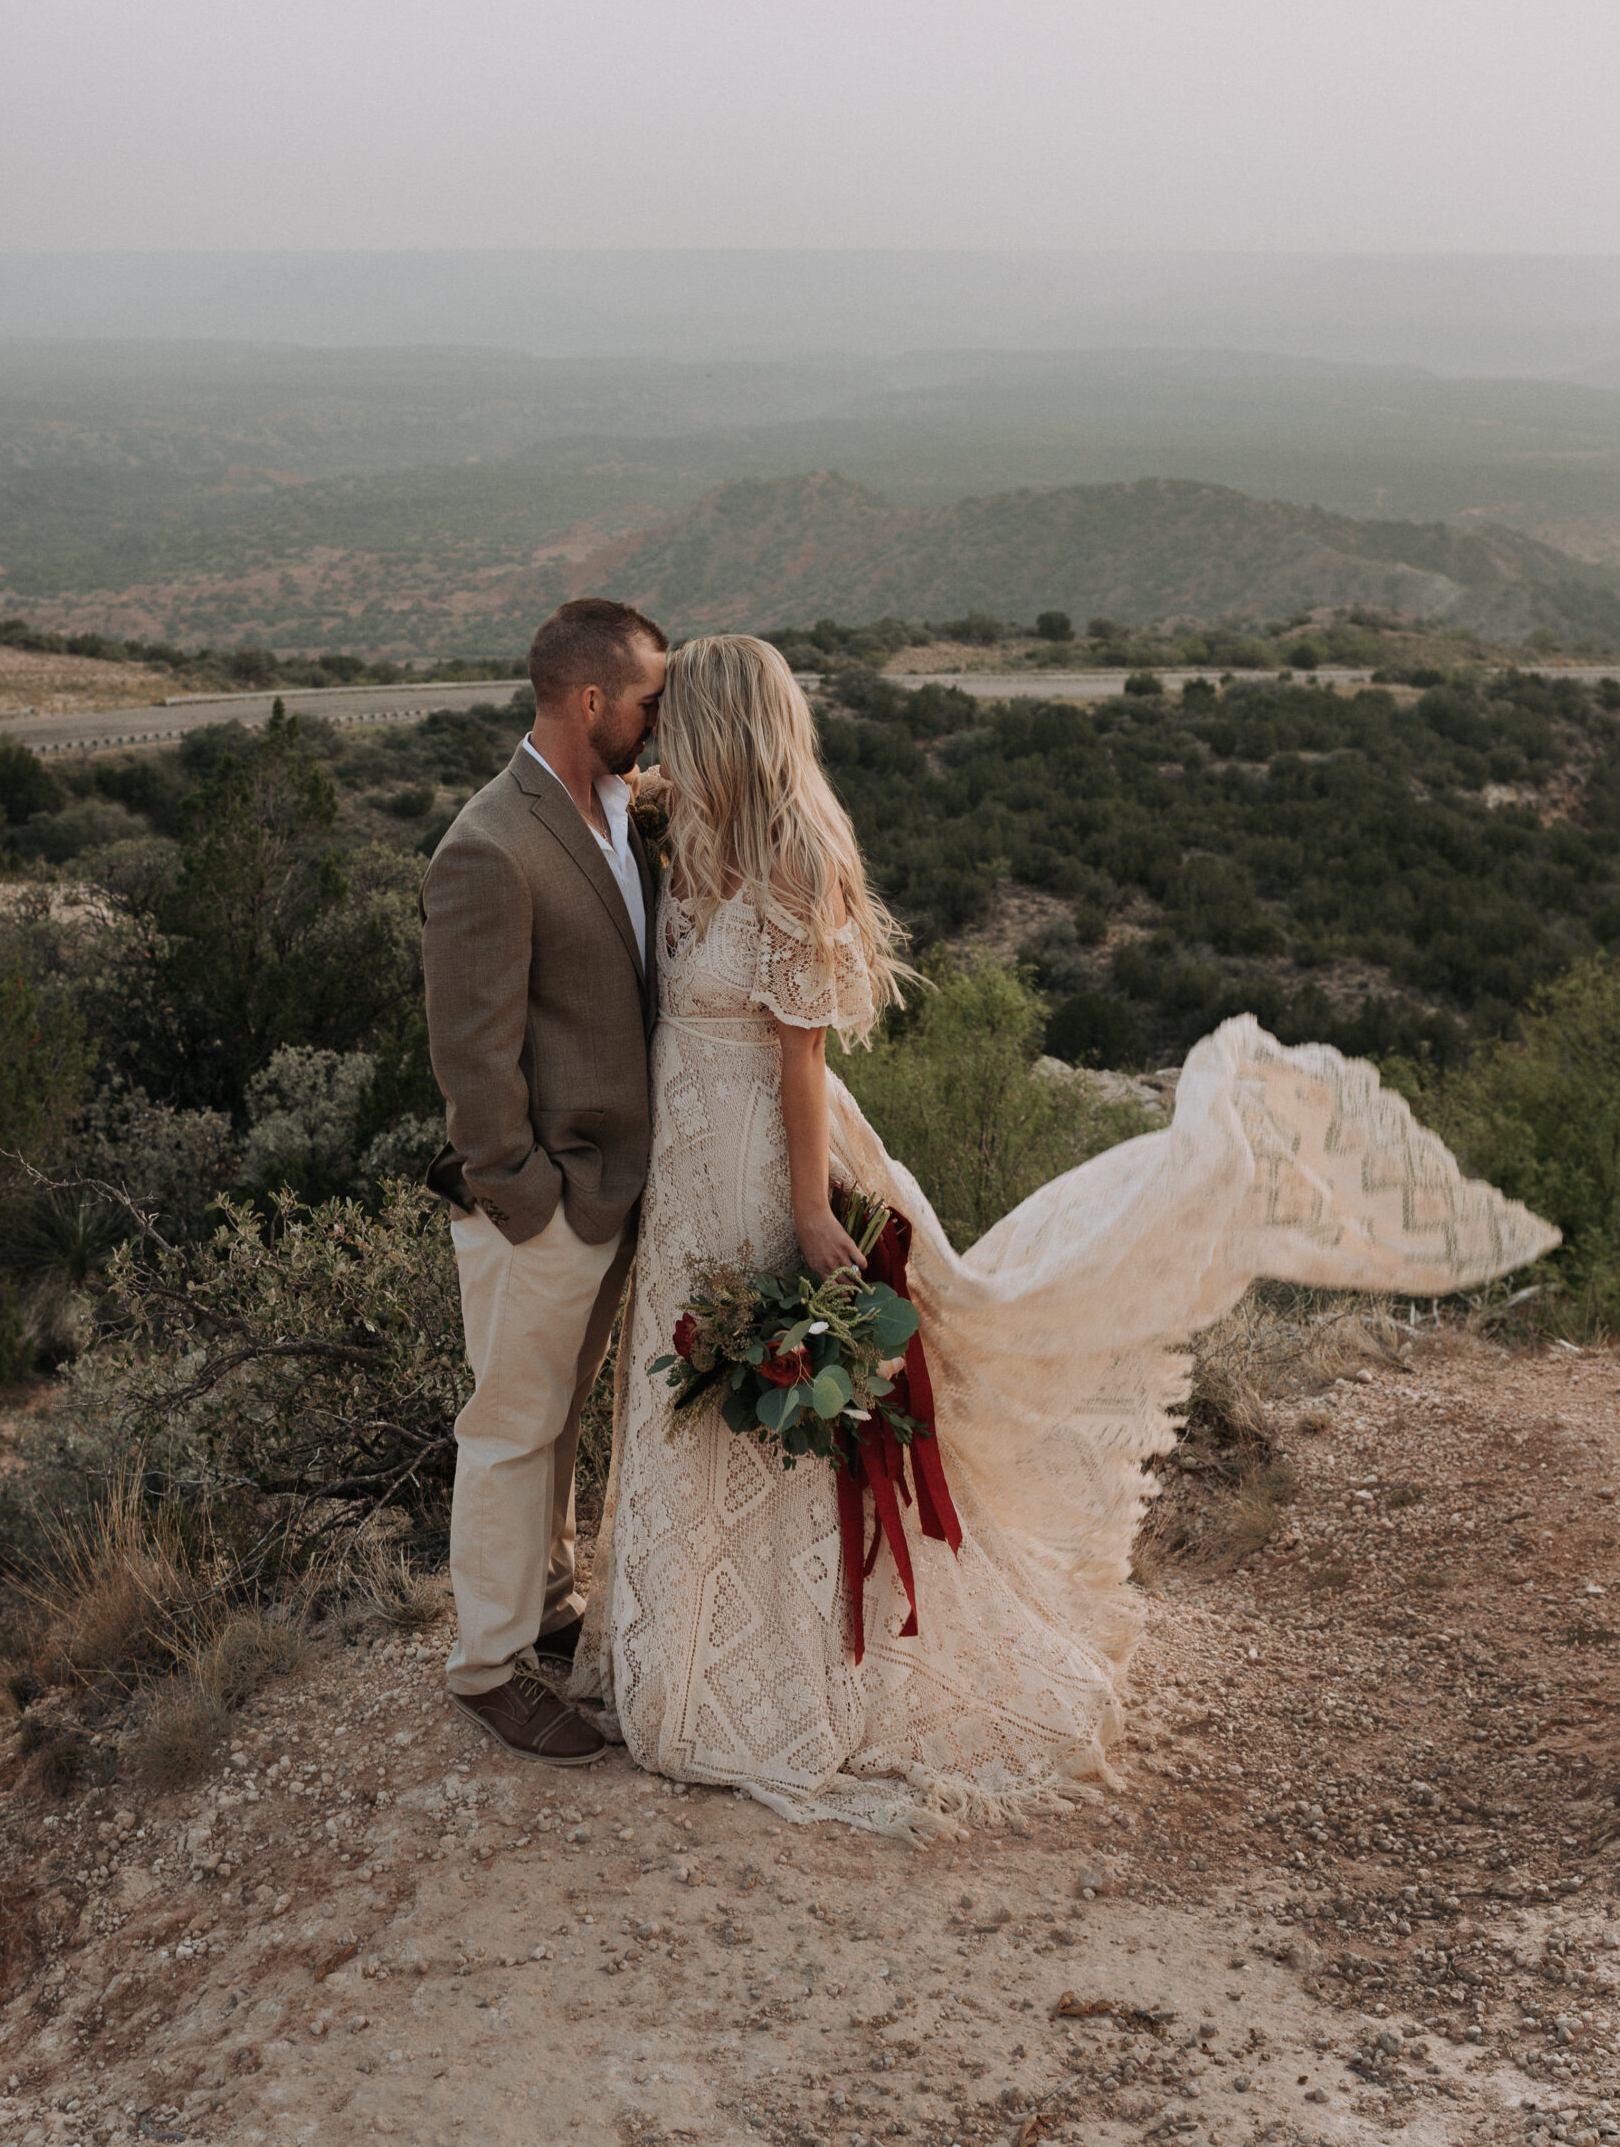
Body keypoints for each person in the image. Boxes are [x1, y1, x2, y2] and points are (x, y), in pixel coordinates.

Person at [575, 633, 1556, 1835]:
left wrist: (805, 1211)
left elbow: (801, 1058)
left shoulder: (791, 849)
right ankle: (670, 1658)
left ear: (724, 719)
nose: (658, 729)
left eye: (678, 710)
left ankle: (762, 1682)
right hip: (678, 1175)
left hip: (755, 1163)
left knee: (770, 1414)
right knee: (682, 1396)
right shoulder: (679, 836)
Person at [420, 596, 670, 1764]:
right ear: (587, 702)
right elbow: (470, 1052)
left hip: (606, 1189)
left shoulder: (617, 808)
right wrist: (525, 1198)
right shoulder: (486, 844)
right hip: (542, 1202)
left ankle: (552, 1605)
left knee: (561, 1419)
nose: (654, 720)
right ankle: (483, 1665)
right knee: (512, 1427)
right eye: (644, 701)